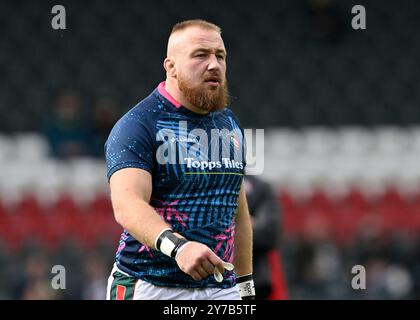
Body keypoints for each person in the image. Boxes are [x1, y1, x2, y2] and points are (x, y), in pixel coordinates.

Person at [104, 19, 255, 300]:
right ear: (170, 67)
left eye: (220, 56)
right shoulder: (138, 124)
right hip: (149, 285)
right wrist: (179, 247)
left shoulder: (229, 123)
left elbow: (238, 211)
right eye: (201, 55)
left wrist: (245, 288)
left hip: (222, 288)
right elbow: (126, 205)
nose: (214, 65)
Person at [244, 175, 288, 299]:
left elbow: (269, 235)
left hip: (256, 284)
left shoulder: (260, 188)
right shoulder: (198, 185)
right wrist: (249, 223)